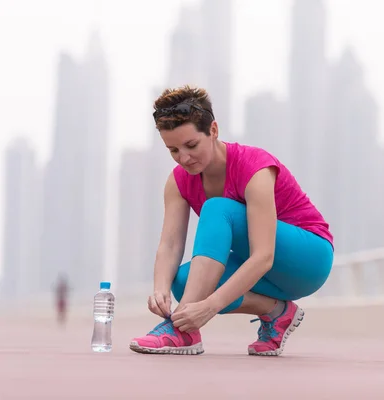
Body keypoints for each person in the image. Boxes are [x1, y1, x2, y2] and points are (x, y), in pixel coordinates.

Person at [129, 85, 334, 356]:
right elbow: (169, 244)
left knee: (218, 209)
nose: (184, 158)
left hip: (308, 259)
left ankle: (182, 332)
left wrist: (210, 306)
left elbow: (263, 256)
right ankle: (277, 312)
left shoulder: (254, 167)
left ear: (213, 130)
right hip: (267, 275)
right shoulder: (178, 181)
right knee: (182, 281)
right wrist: (160, 289)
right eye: (173, 150)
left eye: (191, 145)